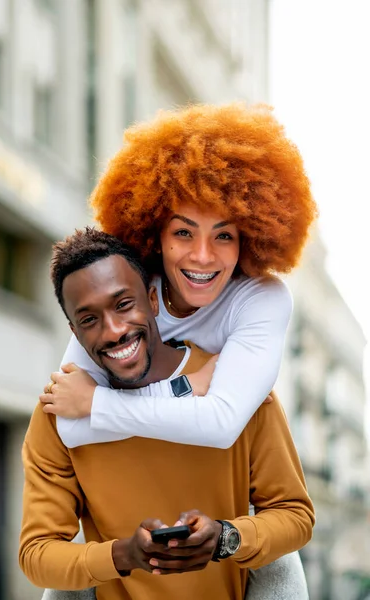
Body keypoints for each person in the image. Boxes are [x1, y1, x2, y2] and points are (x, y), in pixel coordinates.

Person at [39, 103, 317, 597]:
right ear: (156, 236)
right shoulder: (121, 295)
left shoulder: (261, 299)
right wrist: (193, 384)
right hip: (118, 550)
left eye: (224, 235)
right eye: (183, 231)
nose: (203, 256)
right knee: (67, 575)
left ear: (249, 239)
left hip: (230, 508)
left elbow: (223, 422)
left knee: (280, 561)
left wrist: (107, 401)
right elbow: (70, 423)